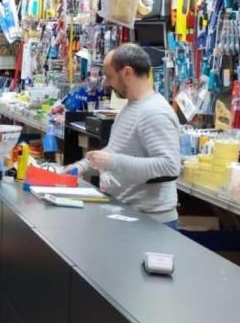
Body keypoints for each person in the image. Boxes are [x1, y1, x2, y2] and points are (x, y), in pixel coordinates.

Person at [69, 43, 182, 227]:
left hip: (151, 223)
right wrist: (81, 167)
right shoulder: (131, 107)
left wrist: (112, 161)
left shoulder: (155, 112)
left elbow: (169, 166)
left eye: (110, 76)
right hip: (129, 214)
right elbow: (115, 151)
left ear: (127, 73)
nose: (107, 83)